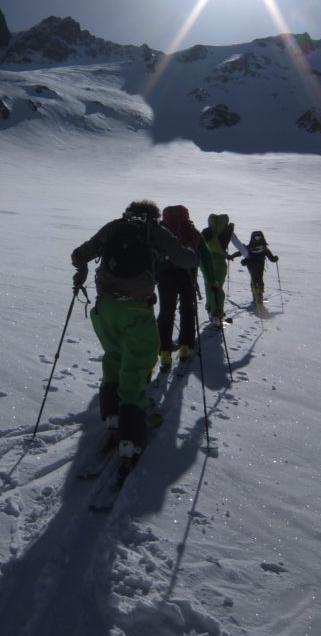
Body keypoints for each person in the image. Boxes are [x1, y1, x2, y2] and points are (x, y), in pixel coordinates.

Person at [71, 199, 198, 467]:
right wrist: (192, 253)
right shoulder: (155, 230)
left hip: (105, 309)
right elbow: (183, 258)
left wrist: (81, 271)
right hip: (136, 309)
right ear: (153, 215)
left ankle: (112, 417)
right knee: (137, 364)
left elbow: (79, 254)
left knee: (113, 357)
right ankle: (130, 437)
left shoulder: (114, 227)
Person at [156, 205, 216, 370]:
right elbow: (206, 256)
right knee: (188, 309)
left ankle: (165, 351)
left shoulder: (160, 231)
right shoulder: (192, 231)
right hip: (187, 273)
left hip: (164, 274)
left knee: (166, 311)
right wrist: (211, 280)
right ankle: (186, 346)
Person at [200, 213, 244, 324]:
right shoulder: (228, 232)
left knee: (208, 285)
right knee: (217, 286)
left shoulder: (206, 231)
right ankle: (217, 312)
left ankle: (210, 309)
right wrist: (248, 256)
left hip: (204, 261)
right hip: (219, 261)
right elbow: (241, 248)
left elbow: (198, 245)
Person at [230, 229, 278, 306]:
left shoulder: (263, 249)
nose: (258, 239)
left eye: (259, 237)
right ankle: (257, 296)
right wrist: (232, 256)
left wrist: (274, 259)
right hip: (252, 266)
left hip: (257, 266)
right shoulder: (256, 248)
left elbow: (271, 258)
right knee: (256, 279)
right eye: (256, 237)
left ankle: (258, 295)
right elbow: (240, 252)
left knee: (257, 279)